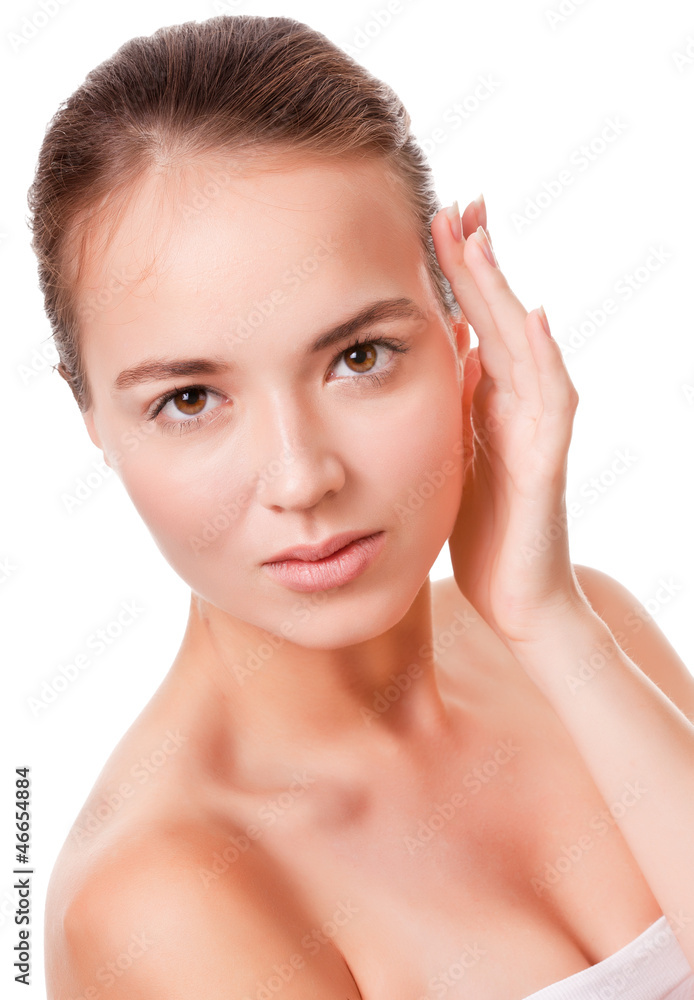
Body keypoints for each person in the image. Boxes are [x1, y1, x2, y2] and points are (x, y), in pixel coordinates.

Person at [29, 14, 694, 1000]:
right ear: (92, 417)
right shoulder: (163, 900)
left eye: (358, 356)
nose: (301, 479)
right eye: (190, 398)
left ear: (463, 327)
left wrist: (550, 625)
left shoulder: (589, 633)